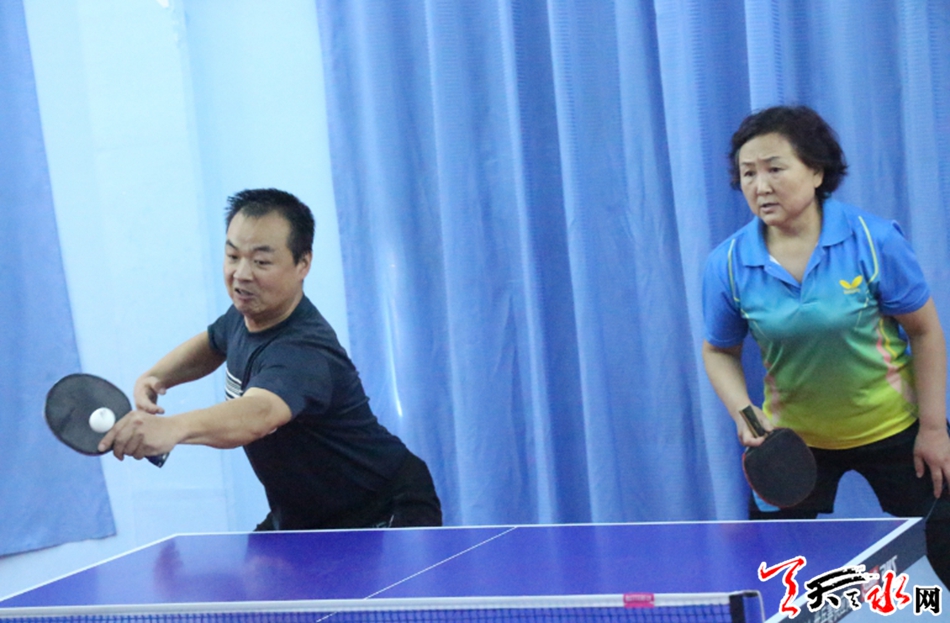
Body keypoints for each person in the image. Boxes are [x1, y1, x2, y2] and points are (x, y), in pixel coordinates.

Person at [702, 105, 949, 581]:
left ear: (816, 172)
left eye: (775, 169)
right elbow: (718, 351)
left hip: (894, 428)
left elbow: (924, 331)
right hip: (792, 444)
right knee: (776, 579)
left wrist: (934, 429)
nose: (760, 185)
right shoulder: (728, 263)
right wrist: (746, 415)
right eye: (748, 173)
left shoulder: (873, 240)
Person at [99, 188, 442, 531]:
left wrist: (174, 428)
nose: (241, 274)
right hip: (304, 515)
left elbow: (259, 414)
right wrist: (157, 376)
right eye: (233, 256)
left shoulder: (303, 351)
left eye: (261, 262)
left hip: (381, 510)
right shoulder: (244, 314)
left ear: (302, 264)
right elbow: (213, 342)